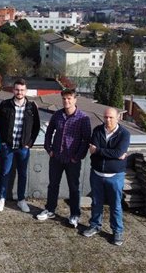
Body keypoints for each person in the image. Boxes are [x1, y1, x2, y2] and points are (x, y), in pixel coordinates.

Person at [37, 89, 91, 228]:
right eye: (64, 99)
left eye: (69, 98)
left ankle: (74, 215)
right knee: (53, 185)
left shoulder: (83, 118)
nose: (66, 101)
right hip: (56, 157)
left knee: (74, 188)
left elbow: (86, 140)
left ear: (75, 99)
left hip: (72, 160)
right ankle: (50, 209)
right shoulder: (57, 115)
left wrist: (77, 157)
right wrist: (49, 149)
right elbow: (49, 132)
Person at [83, 107, 130, 246]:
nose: (107, 120)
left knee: (115, 205)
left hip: (115, 175)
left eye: (111, 117)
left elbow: (118, 152)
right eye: (105, 117)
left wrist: (99, 151)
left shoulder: (124, 134)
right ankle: (95, 225)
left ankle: (117, 231)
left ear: (118, 118)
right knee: (96, 202)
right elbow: (96, 150)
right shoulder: (97, 130)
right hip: (97, 173)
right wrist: (112, 153)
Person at [0, 78, 40, 213]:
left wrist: (29, 144)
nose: (19, 92)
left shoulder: (31, 107)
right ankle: (2, 198)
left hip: (23, 147)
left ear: (25, 91)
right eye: (17, 89)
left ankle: (21, 200)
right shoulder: (5, 105)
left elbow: (36, 127)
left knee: (23, 174)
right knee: (5, 172)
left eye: (22, 90)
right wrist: (2, 141)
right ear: (13, 90)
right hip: (7, 146)